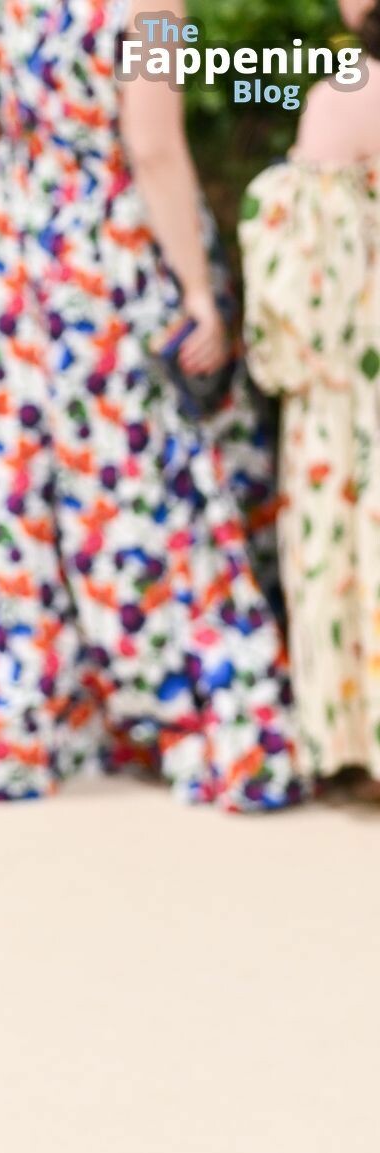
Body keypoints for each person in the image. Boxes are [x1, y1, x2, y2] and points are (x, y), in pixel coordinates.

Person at [0, 0, 307, 811]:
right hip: (110, 249)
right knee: (137, 472)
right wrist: (198, 293)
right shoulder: (155, 9)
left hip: (18, 244)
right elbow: (153, 147)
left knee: (19, 473)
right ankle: (160, 696)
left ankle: (41, 702)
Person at [238, 0, 380, 800]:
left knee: (349, 537)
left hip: (355, 375)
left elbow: (302, 275)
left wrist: (280, 356)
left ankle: (358, 742)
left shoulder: (348, 92)